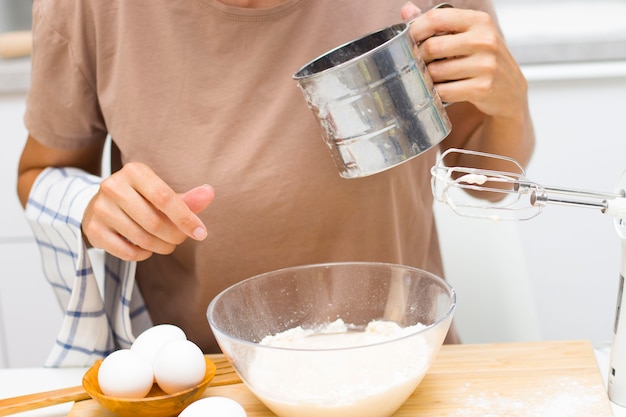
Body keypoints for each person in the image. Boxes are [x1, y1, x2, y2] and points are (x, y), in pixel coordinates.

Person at [17, 0, 534, 367]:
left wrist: (510, 98)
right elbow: (38, 175)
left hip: (400, 358)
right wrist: (91, 205)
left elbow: (488, 181)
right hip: (208, 376)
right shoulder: (87, 9)